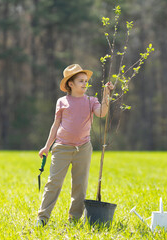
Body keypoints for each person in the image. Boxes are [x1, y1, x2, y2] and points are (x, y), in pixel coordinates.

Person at [36, 64, 113, 227]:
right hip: (62, 147)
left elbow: (102, 113)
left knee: (80, 185)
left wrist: (107, 95)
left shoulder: (91, 101)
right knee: (53, 183)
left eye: (86, 81)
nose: (85, 84)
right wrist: (46, 147)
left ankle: (74, 219)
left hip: (83, 148)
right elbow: (55, 125)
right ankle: (42, 218)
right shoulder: (62, 102)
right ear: (70, 84)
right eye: (81, 81)